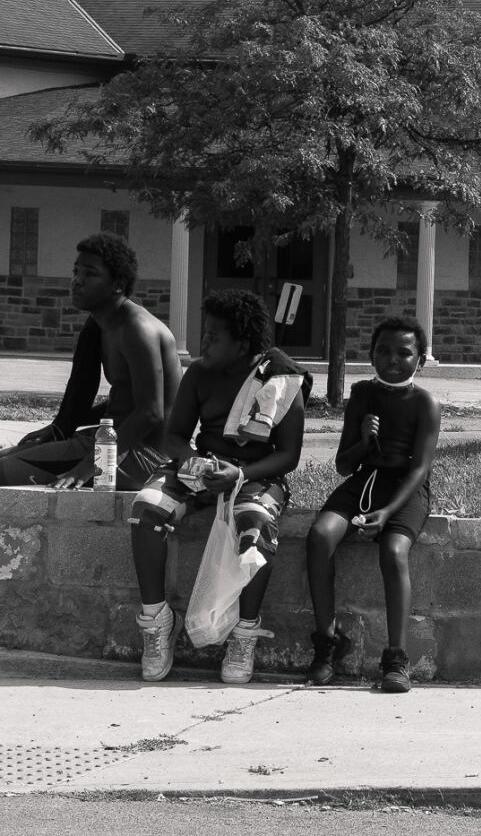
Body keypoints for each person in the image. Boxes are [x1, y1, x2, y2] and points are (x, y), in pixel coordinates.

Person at [0, 232, 181, 632]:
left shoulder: (136, 328)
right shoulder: (99, 326)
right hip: (114, 440)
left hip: (145, 455)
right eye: (75, 271)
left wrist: (91, 465)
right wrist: (56, 430)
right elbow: (81, 396)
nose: (76, 280)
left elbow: (153, 413)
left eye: (90, 274)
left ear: (118, 284)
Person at [128, 290, 306, 684]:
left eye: (213, 337)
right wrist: (193, 461)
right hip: (201, 466)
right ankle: (157, 622)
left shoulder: (281, 380)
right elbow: (173, 436)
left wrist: (239, 476)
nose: (202, 343)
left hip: (255, 473)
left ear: (243, 344)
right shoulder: (200, 374)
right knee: (147, 510)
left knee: (255, 526)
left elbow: (289, 454)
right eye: (204, 333)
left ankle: (244, 634)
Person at [305, 316, 441, 693]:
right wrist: (365, 441)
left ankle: (396, 660)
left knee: (394, 552)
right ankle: (327, 642)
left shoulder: (425, 403)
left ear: (421, 361)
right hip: (365, 482)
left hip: (406, 491)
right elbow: (343, 465)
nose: (392, 359)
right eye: (383, 351)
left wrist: (385, 513)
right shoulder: (363, 394)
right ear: (370, 355)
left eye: (404, 353)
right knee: (319, 537)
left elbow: (420, 470)